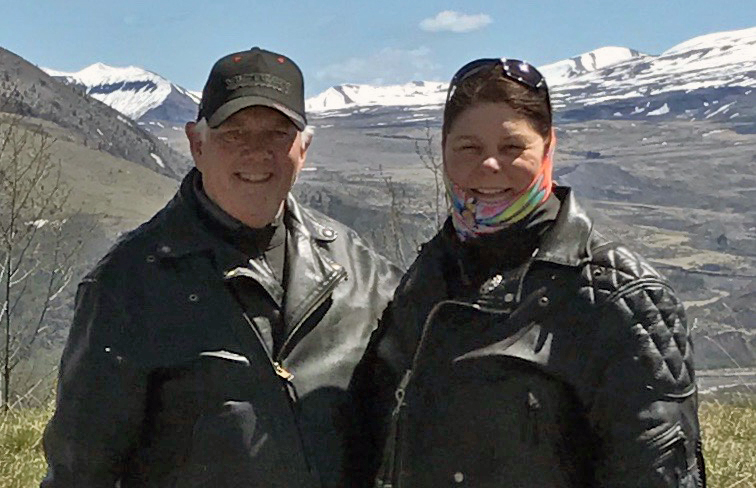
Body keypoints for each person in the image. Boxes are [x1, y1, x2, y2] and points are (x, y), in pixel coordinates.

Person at [41, 47, 402, 488]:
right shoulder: (128, 286)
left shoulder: (361, 274)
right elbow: (81, 472)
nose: (256, 152)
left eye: (276, 134)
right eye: (234, 132)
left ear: (303, 149)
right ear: (197, 143)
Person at [352, 58, 706, 487]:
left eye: (511, 148)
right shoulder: (428, 277)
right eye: (469, 147)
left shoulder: (617, 297)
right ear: (443, 150)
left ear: (548, 147)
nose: (488, 167)